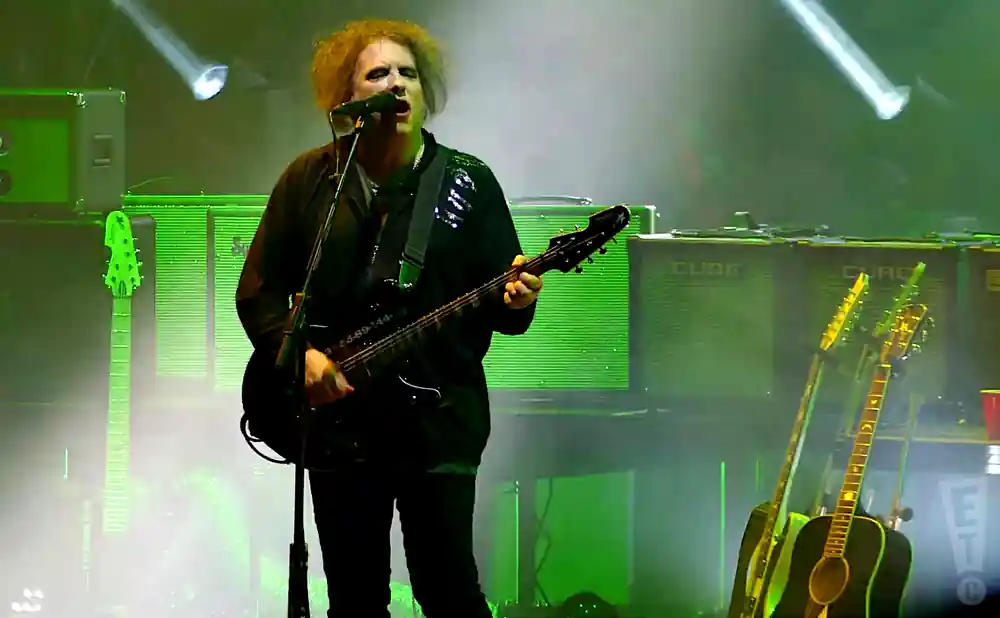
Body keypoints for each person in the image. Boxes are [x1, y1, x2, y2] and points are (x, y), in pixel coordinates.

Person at [235, 18, 542, 618]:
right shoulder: (311, 181)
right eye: (378, 74)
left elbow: (507, 311)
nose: (397, 84)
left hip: (438, 422)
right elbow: (259, 293)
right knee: (354, 599)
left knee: (449, 593)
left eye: (409, 73)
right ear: (348, 100)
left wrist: (520, 299)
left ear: (426, 92)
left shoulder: (469, 183)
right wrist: (302, 359)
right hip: (339, 428)